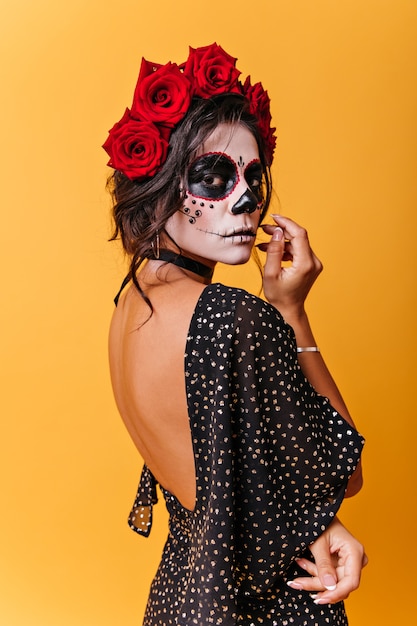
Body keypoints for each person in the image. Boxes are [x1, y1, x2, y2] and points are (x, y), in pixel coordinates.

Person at [104, 43, 366, 626]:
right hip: (260, 605)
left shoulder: (131, 304)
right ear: (160, 182)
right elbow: (345, 476)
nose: (245, 200)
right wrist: (292, 312)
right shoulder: (231, 317)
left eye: (252, 176)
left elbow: (228, 483)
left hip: (183, 596)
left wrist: (317, 523)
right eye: (214, 177)